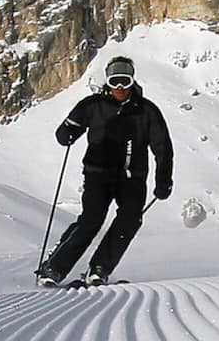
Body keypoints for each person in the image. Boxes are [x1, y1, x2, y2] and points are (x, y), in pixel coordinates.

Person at [38, 56, 174, 286]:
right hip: (97, 174)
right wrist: (68, 133)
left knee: (130, 219)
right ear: (107, 83)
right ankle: (52, 269)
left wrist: (163, 180)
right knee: (91, 220)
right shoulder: (92, 105)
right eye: (114, 82)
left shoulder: (147, 111)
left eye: (124, 81)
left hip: (133, 177)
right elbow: (66, 131)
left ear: (132, 81)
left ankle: (99, 268)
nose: (119, 87)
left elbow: (163, 149)